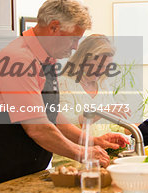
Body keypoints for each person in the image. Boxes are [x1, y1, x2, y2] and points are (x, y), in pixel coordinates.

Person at [0, 0, 128, 190]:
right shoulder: (18, 60)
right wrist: (83, 153)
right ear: (53, 28)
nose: (75, 47)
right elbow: (37, 127)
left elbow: (52, 115)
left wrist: (93, 141)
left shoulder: (46, 59)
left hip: (24, 166)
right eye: (73, 39)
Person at [53, 34, 130, 166]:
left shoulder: (103, 86)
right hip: (71, 164)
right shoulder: (65, 83)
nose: (102, 71)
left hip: (99, 160)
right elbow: (64, 125)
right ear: (82, 59)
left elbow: (110, 125)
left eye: (106, 67)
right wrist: (100, 111)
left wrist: (137, 128)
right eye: (98, 65)